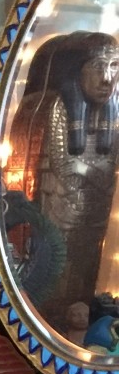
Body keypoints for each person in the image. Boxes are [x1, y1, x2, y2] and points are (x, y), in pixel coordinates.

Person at [9, 32, 119, 330]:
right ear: (77, 69)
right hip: (58, 206)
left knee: (87, 262)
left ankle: (77, 316)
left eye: (114, 66)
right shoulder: (57, 107)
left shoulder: (113, 111)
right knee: (56, 262)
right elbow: (66, 167)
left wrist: (92, 174)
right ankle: (49, 320)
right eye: (98, 66)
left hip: (94, 209)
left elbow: (107, 166)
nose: (107, 78)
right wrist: (96, 175)